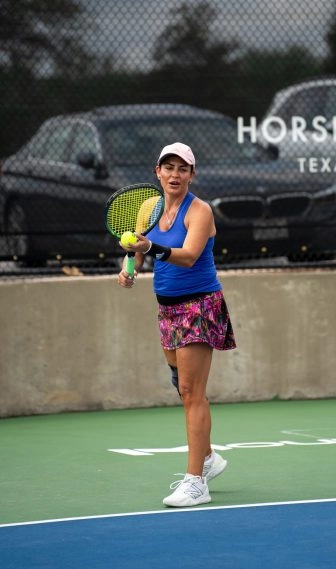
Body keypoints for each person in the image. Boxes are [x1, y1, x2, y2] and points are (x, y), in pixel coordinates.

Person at [117, 142, 236, 507]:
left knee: (191, 390)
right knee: (180, 385)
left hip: (199, 305)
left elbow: (187, 256)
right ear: (157, 173)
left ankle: (196, 481)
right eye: (168, 167)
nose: (174, 174)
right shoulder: (149, 208)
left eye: (182, 169)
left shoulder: (199, 211)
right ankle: (209, 457)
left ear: (191, 175)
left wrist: (149, 248)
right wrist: (129, 268)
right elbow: (136, 247)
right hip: (167, 307)